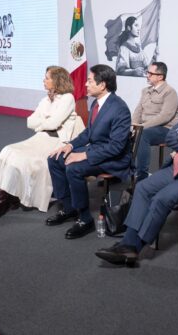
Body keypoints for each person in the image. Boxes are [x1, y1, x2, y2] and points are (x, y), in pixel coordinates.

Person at [95, 72, 178, 266]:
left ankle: (133, 247)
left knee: (161, 198)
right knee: (143, 188)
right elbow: (171, 137)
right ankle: (128, 242)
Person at [0, 66, 84, 219]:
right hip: (41, 138)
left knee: (25, 159)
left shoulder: (68, 98)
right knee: (8, 150)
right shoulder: (45, 100)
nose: (44, 80)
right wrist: (45, 122)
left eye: (47, 78)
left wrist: (42, 122)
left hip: (56, 141)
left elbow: (54, 123)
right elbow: (30, 121)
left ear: (57, 80)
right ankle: (6, 196)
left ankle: (5, 200)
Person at [47, 64, 132, 239]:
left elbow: (116, 147)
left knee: (74, 168)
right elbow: (88, 133)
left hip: (115, 158)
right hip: (97, 150)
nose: (85, 84)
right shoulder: (96, 103)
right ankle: (69, 207)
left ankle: (85, 219)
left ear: (102, 85)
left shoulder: (119, 108)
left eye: (90, 81)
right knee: (55, 158)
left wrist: (83, 155)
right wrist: (70, 145)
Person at [132, 61, 178, 181]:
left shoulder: (170, 92)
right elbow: (138, 110)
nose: (147, 75)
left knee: (143, 135)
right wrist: (134, 126)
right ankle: (122, 172)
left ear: (160, 77)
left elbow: (165, 116)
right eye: (147, 72)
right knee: (125, 133)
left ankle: (141, 175)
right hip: (146, 127)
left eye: (150, 73)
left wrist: (142, 127)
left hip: (165, 129)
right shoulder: (145, 91)